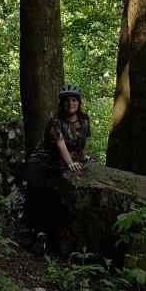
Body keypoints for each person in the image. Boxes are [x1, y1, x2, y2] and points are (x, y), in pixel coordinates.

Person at [24, 83, 91, 247]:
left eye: (74, 100)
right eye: (67, 100)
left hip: (59, 165)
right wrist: (71, 163)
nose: (70, 104)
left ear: (79, 102)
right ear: (62, 103)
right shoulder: (55, 121)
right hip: (42, 160)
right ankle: (31, 228)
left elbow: (82, 143)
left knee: (49, 192)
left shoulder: (84, 120)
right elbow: (60, 143)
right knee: (34, 187)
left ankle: (44, 233)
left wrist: (83, 158)